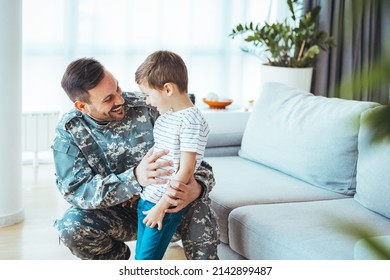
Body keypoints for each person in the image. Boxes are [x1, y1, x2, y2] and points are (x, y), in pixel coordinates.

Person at [52, 57, 219, 260]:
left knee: (198, 201)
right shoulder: (70, 131)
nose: (120, 100)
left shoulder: (151, 106)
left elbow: (198, 164)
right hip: (122, 215)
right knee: (71, 226)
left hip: (170, 205)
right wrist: (134, 179)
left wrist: (198, 187)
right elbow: (76, 191)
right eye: (108, 99)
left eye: (118, 89)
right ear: (82, 106)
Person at [134, 50, 210, 260]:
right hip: (148, 199)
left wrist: (161, 206)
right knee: (140, 259)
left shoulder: (191, 121)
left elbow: (185, 171)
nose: (147, 101)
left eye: (148, 95)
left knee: (145, 262)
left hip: (164, 206)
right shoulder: (167, 116)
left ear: (167, 89)